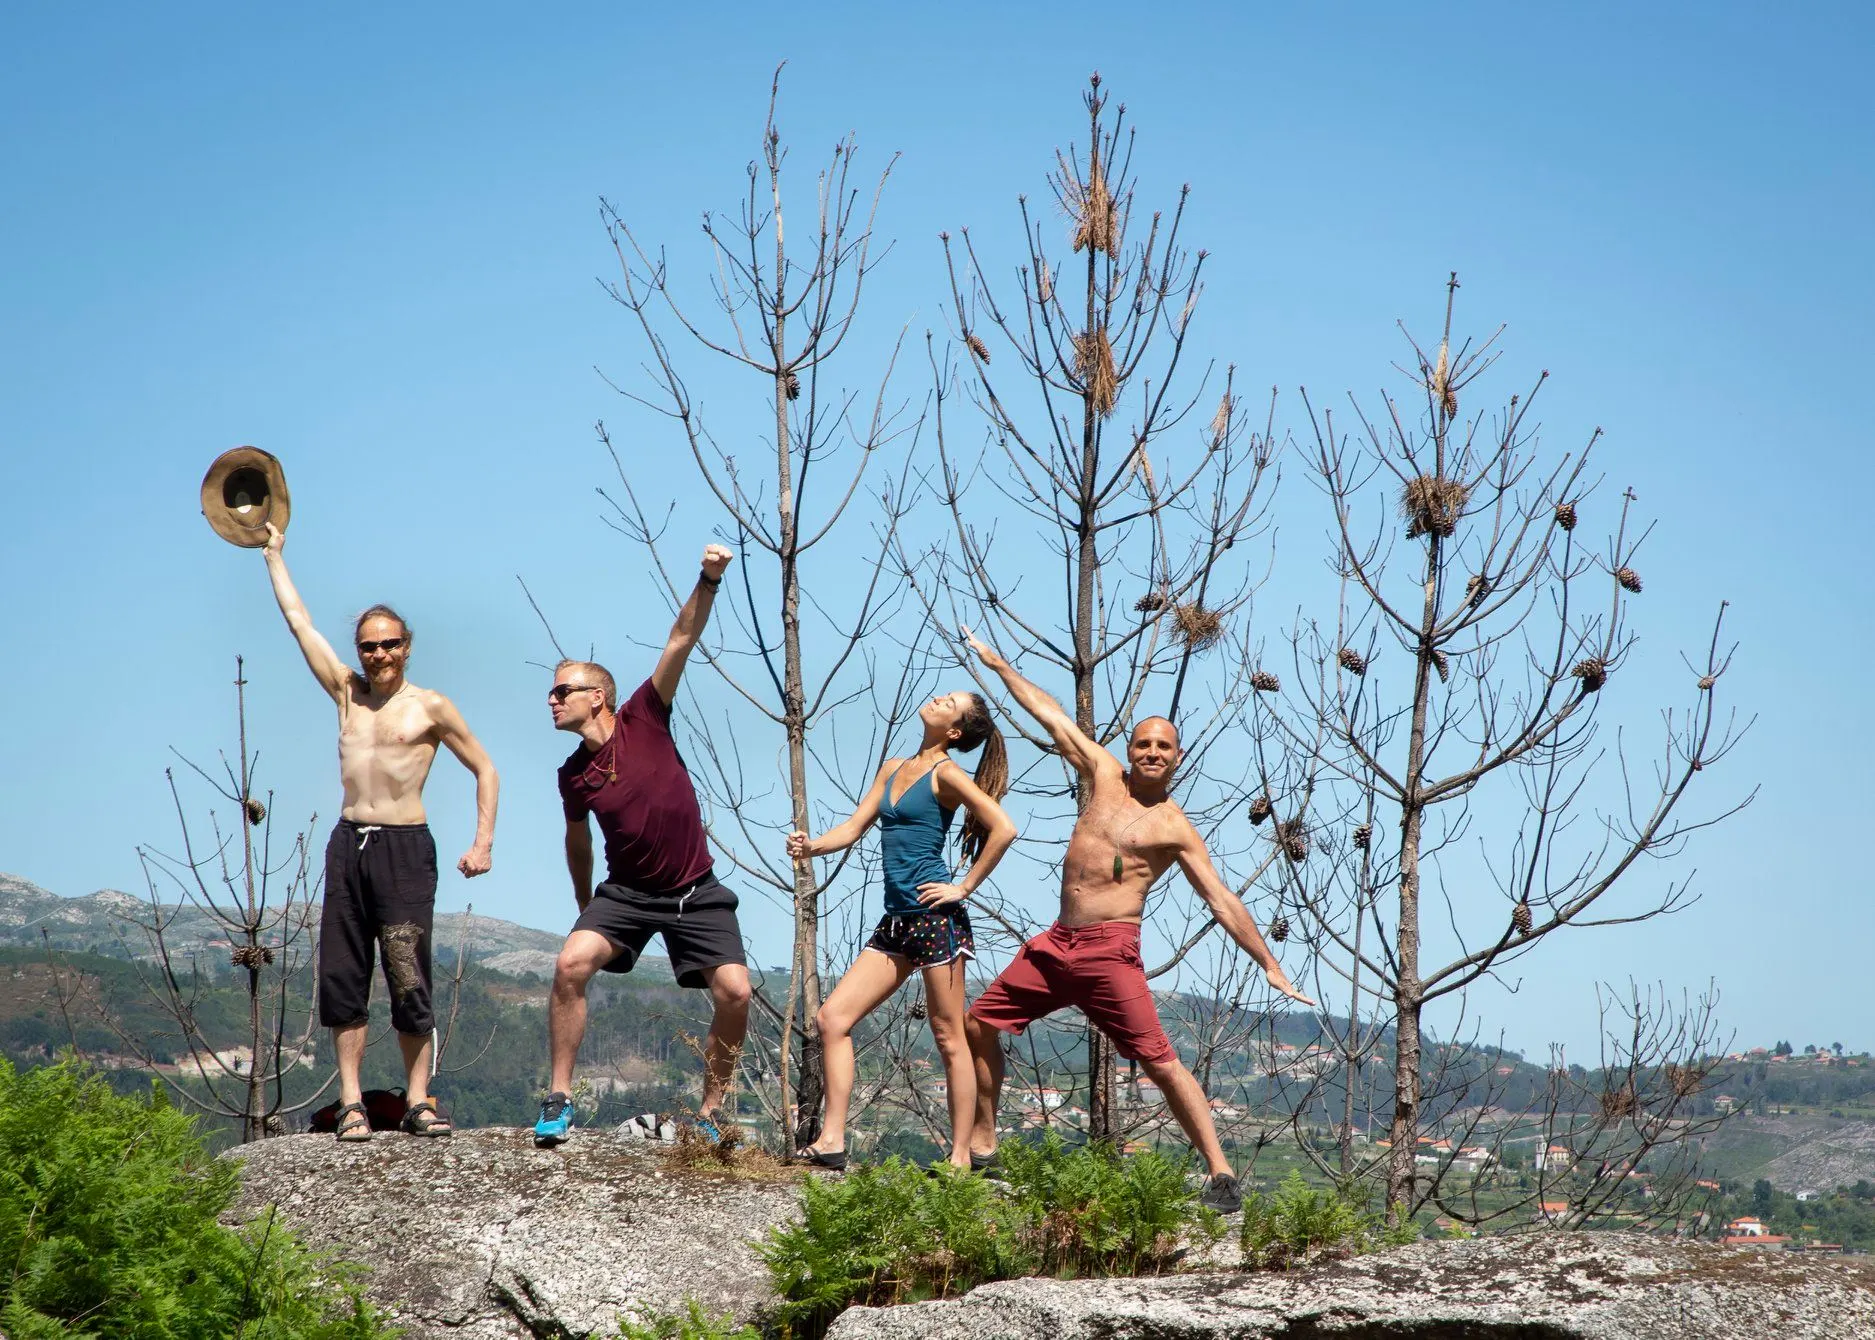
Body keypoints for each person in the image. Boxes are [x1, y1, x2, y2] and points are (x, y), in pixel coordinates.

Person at [960, 628, 1314, 1211]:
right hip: (1055, 944)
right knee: (979, 1022)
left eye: (1164, 747)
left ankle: (1221, 1176)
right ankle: (986, 1147)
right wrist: (999, 664)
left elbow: (1222, 900)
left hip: (1109, 952)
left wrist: (1269, 964)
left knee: (1159, 1059)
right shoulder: (1102, 775)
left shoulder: (1173, 828)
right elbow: (1052, 717)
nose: (1152, 752)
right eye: (1144, 743)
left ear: (1177, 758)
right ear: (1130, 748)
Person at [260, 523, 499, 1141]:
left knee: (407, 972)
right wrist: (274, 556)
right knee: (343, 974)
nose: (380, 655)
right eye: (369, 646)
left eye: (390, 644)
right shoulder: (347, 695)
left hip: (404, 848)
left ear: (408, 646)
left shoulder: (431, 706)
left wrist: (483, 842)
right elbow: (298, 622)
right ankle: (352, 1102)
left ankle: (418, 1099)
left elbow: (486, 768)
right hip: (349, 845)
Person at [534, 543, 753, 1148]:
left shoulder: (643, 716)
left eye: (562, 691)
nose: (552, 701)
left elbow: (679, 640)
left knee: (736, 991)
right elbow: (576, 842)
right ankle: (559, 1097)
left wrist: (708, 580)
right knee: (569, 964)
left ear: (597, 696)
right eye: (551, 694)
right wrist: (585, 907)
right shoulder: (571, 775)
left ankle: (710, 1113)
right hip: (626, 894)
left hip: (695, 891)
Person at [785, 691, 1017, 1171]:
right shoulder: (893, 766)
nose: (937, 699)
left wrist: (963, 887)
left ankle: (958, 1158)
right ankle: (831, 1140)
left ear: (955, 731)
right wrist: (811, 846)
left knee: (950, 1037)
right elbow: (852, 828)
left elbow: (1004, 828)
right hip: (896, 922)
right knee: (832, 1019)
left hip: (935, 920)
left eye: (949, 701)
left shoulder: (947, 774)